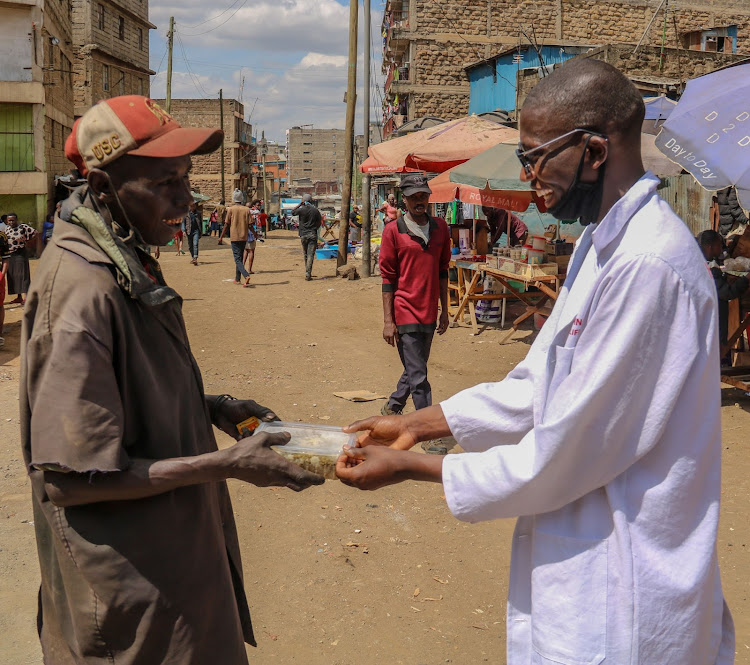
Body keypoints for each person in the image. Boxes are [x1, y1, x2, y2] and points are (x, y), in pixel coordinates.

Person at [337, 60, 734, 665]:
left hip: (624, 584)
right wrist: (418, 424)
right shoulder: (602, 247)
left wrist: (413, 468)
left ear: (594, 152)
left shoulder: (645, 265)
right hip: (585, 565)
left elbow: (571, 447)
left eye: (535, 157)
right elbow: (541, 382)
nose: (528, 178)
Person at [20, 95, 324, 665]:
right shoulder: (81, 290)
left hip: (175, 559)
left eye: (185, 178)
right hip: (134, 590)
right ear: (105, 187)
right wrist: (227, 465)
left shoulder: (122, 253)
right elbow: (71, 478)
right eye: (164, 182)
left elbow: (116, 394)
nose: (186, 199)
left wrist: (207, 405)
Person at [378, 174, 450, 454]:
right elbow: (387, 278)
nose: (420, 200)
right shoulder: (392, 231)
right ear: (404, 199)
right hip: (404, 310)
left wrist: (445, 309)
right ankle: (425, 432)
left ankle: (393, 406)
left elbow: (443, 271)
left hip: (429, 312)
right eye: (414, 196)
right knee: (419, 375)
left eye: (424, 195)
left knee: (414, 368)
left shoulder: (441, 228)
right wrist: (388, 321)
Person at [698, 229, 749, 365]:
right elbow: (727, 293)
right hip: (715, 318)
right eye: (719, 245)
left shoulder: (699, 261)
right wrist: (746, 279)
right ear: (710, 246)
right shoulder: (709, 268)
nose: (721, 248)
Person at [219, 189, 253, 286]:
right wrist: (255, 234)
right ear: (241, 198)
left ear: (234, 198)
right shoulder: (246, 210)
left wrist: (221, 237)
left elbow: (226, 224)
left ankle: (246, 275)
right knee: (240, 257)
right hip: (243, 236)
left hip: (234, 237)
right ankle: (237, 279)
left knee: (237, 259)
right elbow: (250, 225)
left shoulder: (230, 209)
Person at [4, 212, 37, 305]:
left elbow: (35, 233)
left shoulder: (23, 227)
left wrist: (27, 240)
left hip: (20, 253)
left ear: (16, 220)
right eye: (9, 220)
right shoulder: (7, 228)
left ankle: (26, 297)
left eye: (12, 220)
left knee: (23, 275)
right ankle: (19, 297)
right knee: (14, 276)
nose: (11, 222)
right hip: (11, 254)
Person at [292, 194, 322, 281]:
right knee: (310, 255)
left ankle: (307, 272)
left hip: (303, 234)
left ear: (303, 201)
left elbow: (293, 212)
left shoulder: (301, 210)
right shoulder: (315, 210)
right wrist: (314, 229)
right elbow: (319, 222)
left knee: (305, 254)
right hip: (312, 234)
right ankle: (308, 273)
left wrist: (299, 204)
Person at [184, 200, 202, 265]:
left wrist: (201, 232)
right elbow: (183, 222)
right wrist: (183, 231)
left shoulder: (198, 213)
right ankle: (193, 257)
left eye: (193, 206)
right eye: (191, 206)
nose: (192, 207)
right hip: (189, 231)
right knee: (190, 246)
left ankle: (195, 258)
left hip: (196, 231)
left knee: (195, 244)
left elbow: (200, 223)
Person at [0, 229, 8, 348]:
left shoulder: (1, 237)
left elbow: (6, 258)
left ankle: (0, 334)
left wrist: (2, 275)